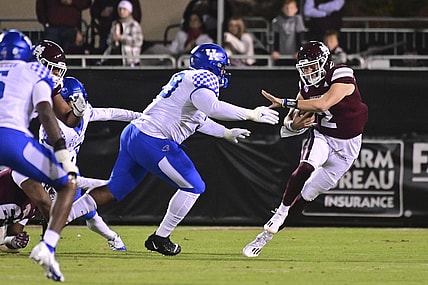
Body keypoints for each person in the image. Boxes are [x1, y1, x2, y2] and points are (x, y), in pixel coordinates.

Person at [66, 43, 279, 256]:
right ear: (211, 65)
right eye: (222, 66)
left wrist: (225, 132)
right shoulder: (205, 77)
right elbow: (211, 107)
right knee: (194, 186)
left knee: (112, 189)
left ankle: (58, 220)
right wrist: (251, 114)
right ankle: (160, 238)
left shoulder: (186, 80)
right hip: (151, 138)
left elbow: (199, 119)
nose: (224, 71)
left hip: (134, 133)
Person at [242, 40, 368, 257]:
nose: (309, 71)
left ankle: (265, 237)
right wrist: (293, 125)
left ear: (325, 62)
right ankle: (279, 213)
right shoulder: (306, 87)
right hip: (324, 137)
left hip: (348, 148)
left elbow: (322, 104)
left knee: (308, 194)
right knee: (306, 166)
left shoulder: (342, 74)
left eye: (312, 66)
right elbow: (288, 127)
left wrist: (284, 102)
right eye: (305, 67)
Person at [0, 29, 78, 281]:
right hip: (13, 139)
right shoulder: (34, 71)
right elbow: (46, 111)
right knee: (68, 184)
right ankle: (47, 247)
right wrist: (62, 151)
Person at [101, 0, 143, 67]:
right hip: (115, 58)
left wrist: (121, 38)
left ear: (129, 11)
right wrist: (113, 39)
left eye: (124, 9)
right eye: (120, 9)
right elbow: (109, 41)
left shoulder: (134, 25)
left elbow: (138, 41)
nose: (121, 11)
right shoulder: (115, 24)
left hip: (129, 60)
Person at [271, 0, 306, 66]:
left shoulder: (298, 19)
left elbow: (300, 36)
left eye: (291, 8)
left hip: (294, 54)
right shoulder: (278, 20)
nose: (289, 10)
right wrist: (275, 50)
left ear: (296, 9)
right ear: (282, 9)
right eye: (286, 8)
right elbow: (276, 36)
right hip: (281, 53)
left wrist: (299, 50)